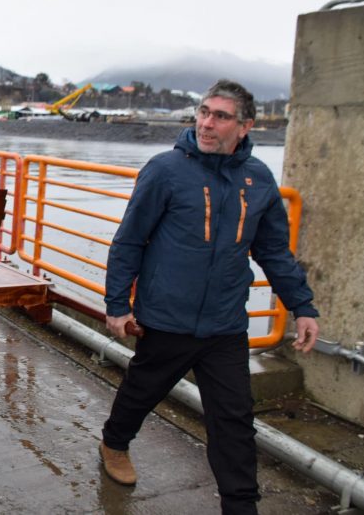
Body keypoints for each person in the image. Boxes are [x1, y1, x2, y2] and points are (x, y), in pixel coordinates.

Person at [99, 79, 320, 514]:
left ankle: (241, 506)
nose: (207, 123)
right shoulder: (165, 170)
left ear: (245, 126)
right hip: (166, 317)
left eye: (220, 116)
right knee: (141, 392)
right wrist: (117, 306)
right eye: (203, 112)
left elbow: (273, 250)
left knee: (235, 421)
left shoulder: (257, 179)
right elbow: (129, 241)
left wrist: (302, 306)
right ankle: (114, 443)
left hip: (224, 323)